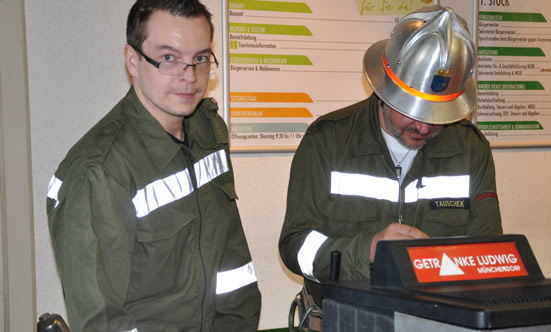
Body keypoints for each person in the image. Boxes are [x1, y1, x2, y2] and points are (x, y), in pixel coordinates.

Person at [46, 0, 261, 331]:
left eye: (200, 59)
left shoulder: (207, 132)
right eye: (169, 58)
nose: (189, 77)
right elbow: (102, 320)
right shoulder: (99, 171)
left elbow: (233, 271)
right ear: (133, 61)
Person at [279, 5, 502, 309]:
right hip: (344, 321)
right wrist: (368, 251)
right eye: (412, 110)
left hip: (436, 323)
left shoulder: (470, 149)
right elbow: (296, 247)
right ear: (386, 87)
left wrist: (437, 262)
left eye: (437, 114)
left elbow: (489, 256)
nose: (424, 127)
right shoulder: (327, 140)